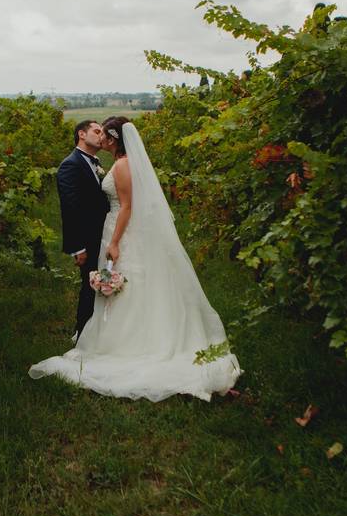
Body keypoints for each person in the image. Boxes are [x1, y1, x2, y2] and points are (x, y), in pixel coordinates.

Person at [30, 117, 242, 402]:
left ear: (115, 138)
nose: (102, 138)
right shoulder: (116, 163)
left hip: (120, 232)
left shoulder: (122, 165)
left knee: (130, 285)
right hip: (115, 229)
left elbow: (127, 205)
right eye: (97, 133)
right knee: (129, 285)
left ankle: (128, 344)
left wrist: (115, 242)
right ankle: (110, 336)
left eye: (105, 134)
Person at [56, 120, 110, 341]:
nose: (101, 135)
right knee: (90, 284)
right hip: (87, 239)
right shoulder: (70, 165)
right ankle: (82, 334)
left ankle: (101, 329)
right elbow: (70, 209)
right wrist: (77, 247)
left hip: (104, 234)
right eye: (97, 131)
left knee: (103, 280)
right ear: (81, 134)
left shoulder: (94, 162)